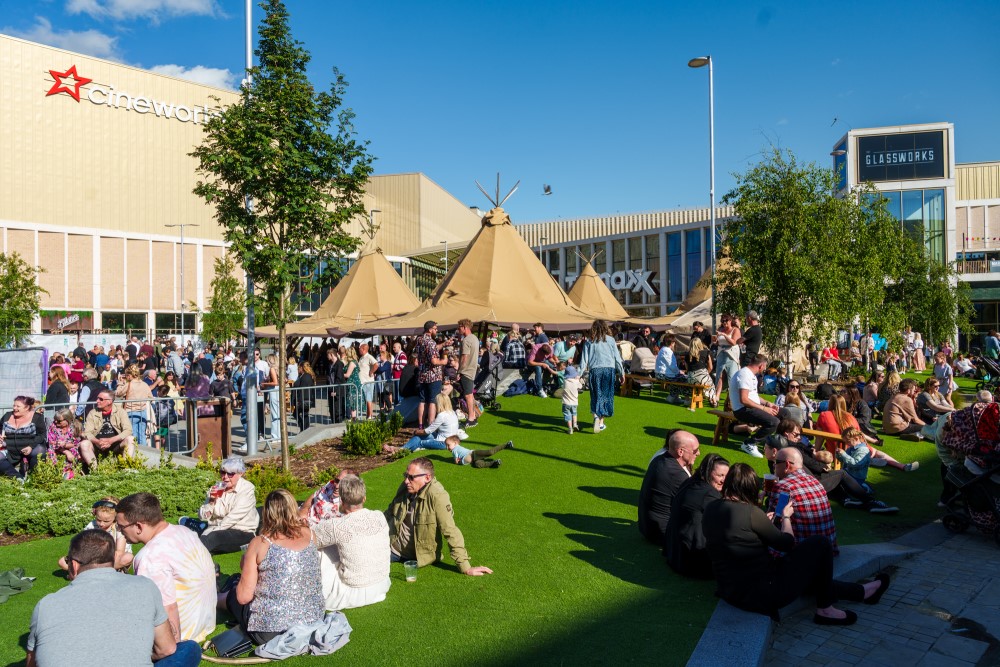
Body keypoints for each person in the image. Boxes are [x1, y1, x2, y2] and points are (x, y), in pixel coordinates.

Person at [703, 463, 890, 625]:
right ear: (750, 487)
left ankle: (863, 592)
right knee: (820, 543)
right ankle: (825, 609)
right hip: (762, 593)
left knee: (809, 576)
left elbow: (739, 536)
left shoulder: (711, 508)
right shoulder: (751, 512)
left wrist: (763, 523)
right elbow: (786, 543)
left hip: (731, 588)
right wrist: (785, 517)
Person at [27, 529, 201, 667]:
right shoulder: (144, 586)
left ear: (74, 564)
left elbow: (32, 663)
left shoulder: (46, 604)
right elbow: (167, 648)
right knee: (189, 649)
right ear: (113, 560)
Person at [224, 489, 324, 646]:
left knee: (234, 594)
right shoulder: (310, 534)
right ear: (293, 509)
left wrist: (246, 565)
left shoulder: (261, 543)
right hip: (313, 621)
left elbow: (244, 597)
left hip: (271, 631)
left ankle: (218, 599)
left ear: (267, 513)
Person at [116, 493, 217, 645]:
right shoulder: (185, 531)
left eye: (121, 526)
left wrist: (172, 647)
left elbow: (167, 607)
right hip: (205, 624)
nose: (119, 530)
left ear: (138, 526)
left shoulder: (150, 557)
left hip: (183, 634)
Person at [386, 457, 493, 576]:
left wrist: (465, 567)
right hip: (392, 547)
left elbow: (450, 530)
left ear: (427, 478)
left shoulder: (438, 496)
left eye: (411, 477)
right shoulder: (405, 487)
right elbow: (389, 513)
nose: (406, 481)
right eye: (406, 475)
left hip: (419, 556)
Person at [312, 475, 392, 611]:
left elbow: (309, 539)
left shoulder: (336, 526)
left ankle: (311, 592)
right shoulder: (380, 516)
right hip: (381, 587)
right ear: (364, 498)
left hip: (353, 592)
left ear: (341, 500)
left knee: (319, 550)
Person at [664, 454, 730, 579]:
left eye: (727, 476)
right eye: (720, 475)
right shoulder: (709, 494)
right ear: (707, 473)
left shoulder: (690, 482)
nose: (724, 480)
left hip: (675, 552)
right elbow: (729, 521)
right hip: (693, 561)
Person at [768, 447, 838, 554]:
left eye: (776, 462)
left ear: (787, 465)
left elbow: (773, 524)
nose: (774, 465)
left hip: (802, 556)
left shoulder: (783, 487)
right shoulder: (815, 481)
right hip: (828, 552)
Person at [637, 430, 700, 545]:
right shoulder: (677, 474)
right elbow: (697, 505)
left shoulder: (659, 458)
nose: (698, 453)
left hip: (647, 526)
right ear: (681, 451)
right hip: (662, 533)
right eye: (695, 450)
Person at [195, 457, 259, 554]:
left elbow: (232, 518)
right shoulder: (217, 488)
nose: (225, 477)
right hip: (217, 529)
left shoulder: (247, 490)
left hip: (241, 531)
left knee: (213, 538)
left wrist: (210, 533)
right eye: (222, 472)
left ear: (240, 473)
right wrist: (211, 501)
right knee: (207, 540)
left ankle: (192, 558)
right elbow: (203, 516)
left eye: (230, 474)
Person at [58, 497, 133, 572]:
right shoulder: (92, 525)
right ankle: (98, 571)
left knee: (128, 557)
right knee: (62, 561)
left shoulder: (119, 528)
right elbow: (83, 545)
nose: (101, 524)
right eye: (98, 520)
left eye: (106, 521)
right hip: (96, 558)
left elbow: (119, 552)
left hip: (113, 558)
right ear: (95, 514)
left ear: (115, 517)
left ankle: (90, 571)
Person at [580, 319, 625, 434]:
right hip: (608, 370)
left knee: (595, 395)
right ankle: (601, 423)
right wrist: (621, 373)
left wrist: (578, 375)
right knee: (606, 396)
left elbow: (583, 361)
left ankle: (595, 415)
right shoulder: (610, 340)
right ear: (606, 328)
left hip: (595, 370)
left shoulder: (589, 342)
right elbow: (617, 358)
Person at [384, 385, 460, 453]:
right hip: (450, 439)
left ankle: (401, 450)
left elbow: (428, 430)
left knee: (421, 441)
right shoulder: (452, 412)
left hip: (444, 442)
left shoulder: (442, 415)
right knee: (420, 436)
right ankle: (401, 449)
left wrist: (417, 431)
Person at [730, 353, 779, 458]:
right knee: (773, 422)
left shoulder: (751, 375)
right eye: (765, 367)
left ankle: (778, 444)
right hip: (742, 410)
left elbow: (753, 397)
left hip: (750, 407)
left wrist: (767, 403)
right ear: (761, 366)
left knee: (783, 414)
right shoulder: (744, 375)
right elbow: (744, 400)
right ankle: (749, 443)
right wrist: (764, 409)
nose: (764, 370)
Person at [79, 390, 135, 467]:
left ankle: (125, 468)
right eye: (97, 398)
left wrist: (111, 440)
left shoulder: (120, 412)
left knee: (131, 439)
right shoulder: (92, 413)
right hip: (97, 445)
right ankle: (95, 472)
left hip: (116, 444)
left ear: (109, 401)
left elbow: (128, 430)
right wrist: (97, 442)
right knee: (84, 444)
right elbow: (87, 433)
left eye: (101, 399)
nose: (97, 401)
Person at [0, 396, 48, 479]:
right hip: (9, 448)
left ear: (27, 407)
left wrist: (31, 446)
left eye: (18, 406)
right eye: (14, 405)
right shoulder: (7, 415)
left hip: (30, 446)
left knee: (40, 451)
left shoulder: (37, 417)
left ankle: (33, 478)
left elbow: (42, 435)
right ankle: (17, 478)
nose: (14, 408)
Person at [414, 321, 448, 429]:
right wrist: (444, 361)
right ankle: (431, 426)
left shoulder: (419, 340)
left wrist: (443, 345)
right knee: (433, 401)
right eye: (435, 329)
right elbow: (434, 361)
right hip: (433, 376)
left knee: (422, 400)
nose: (436, 331)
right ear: (430, 329)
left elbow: (430, 350)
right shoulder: (431, 342)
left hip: (422, 375)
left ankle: (420, 425)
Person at [457, 319, 481, 426]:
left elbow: (464, 357)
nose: (458, 330)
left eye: (459, 327)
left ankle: (471, 418)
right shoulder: (475, 338)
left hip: (466, 371)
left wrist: (459, 371)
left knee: (468, 395)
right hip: (472, 370)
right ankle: (473, 416)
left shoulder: (466, 340)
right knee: (469, 395)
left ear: (464, 327)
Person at [685, 335, 718, 407]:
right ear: (700, 344)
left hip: (690, 378)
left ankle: (687, 399)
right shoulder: (706, 352)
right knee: (711, 385)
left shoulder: (687, 355)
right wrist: (706, 374)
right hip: (702, 376)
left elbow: (687, 369)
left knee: (692, 382)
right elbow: (710, 367)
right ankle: (713, 401)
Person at [444, 435, 513, 468]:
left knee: (490, 452)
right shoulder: (455, 448)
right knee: (478, 465)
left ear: (455, 443)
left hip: (474, 454)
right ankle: (494, 463)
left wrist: (458, 461)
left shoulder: (454, 450)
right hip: (473, 460)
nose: (447, 447)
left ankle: (506, 445)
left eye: (448, 445)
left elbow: (456, 461)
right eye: (446, 445)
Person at [714, 314, 742, 398]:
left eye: (725, 320)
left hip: (731, 354)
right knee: (719, 375)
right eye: (722, 321)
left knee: (732, 376)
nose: (724, 323)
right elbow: (718, 342)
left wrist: (725, 335)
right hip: (721, 353)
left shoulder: (735, 330)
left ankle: (732, 397)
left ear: (730, 321)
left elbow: (734, 342)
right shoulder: (720, 329)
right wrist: (716, 341)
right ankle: (717, 396)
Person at [46, 407, 81, 472]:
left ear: (67, 420)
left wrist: (65, 445)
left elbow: (76, 443)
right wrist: (65, 451)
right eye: (55, 419)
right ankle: (56, 472)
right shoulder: (53, 427)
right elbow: (51, 443)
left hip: (71, 448)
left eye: (59, 421)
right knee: (51, 453)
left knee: (74, 452)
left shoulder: (75, 427)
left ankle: (70, 471)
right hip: (56, 449)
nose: (56, 422)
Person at [292, 360, 316, 431]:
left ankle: (304, 429)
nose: (297, 369)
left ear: (302, 368)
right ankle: (304, 428)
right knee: (303, 414)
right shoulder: (303, 376)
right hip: (304, 399)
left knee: (301, 414)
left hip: (304, 400)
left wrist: (299, 401)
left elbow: (303, 390)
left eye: (298, 368)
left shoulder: (306, 377)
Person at [358, 342, 377, 420]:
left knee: (369, 398)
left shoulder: (369, 357)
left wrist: (371, 372)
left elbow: (376, 364)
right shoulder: (362, 357)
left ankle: (369, 415)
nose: (359, 350)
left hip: (368, 381)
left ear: (363, 349)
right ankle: (369, 414)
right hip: (363, 381)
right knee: (367, 399)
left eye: (360, 349)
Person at [562, 365, 582, 434]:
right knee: (574, 413)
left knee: (567, 415)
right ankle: (575, 424)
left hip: (566, 402)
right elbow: (580, 386)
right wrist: (578, 380)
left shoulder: (565, 382)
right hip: (574, 402)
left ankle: (570, 428)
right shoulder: (576, 382)